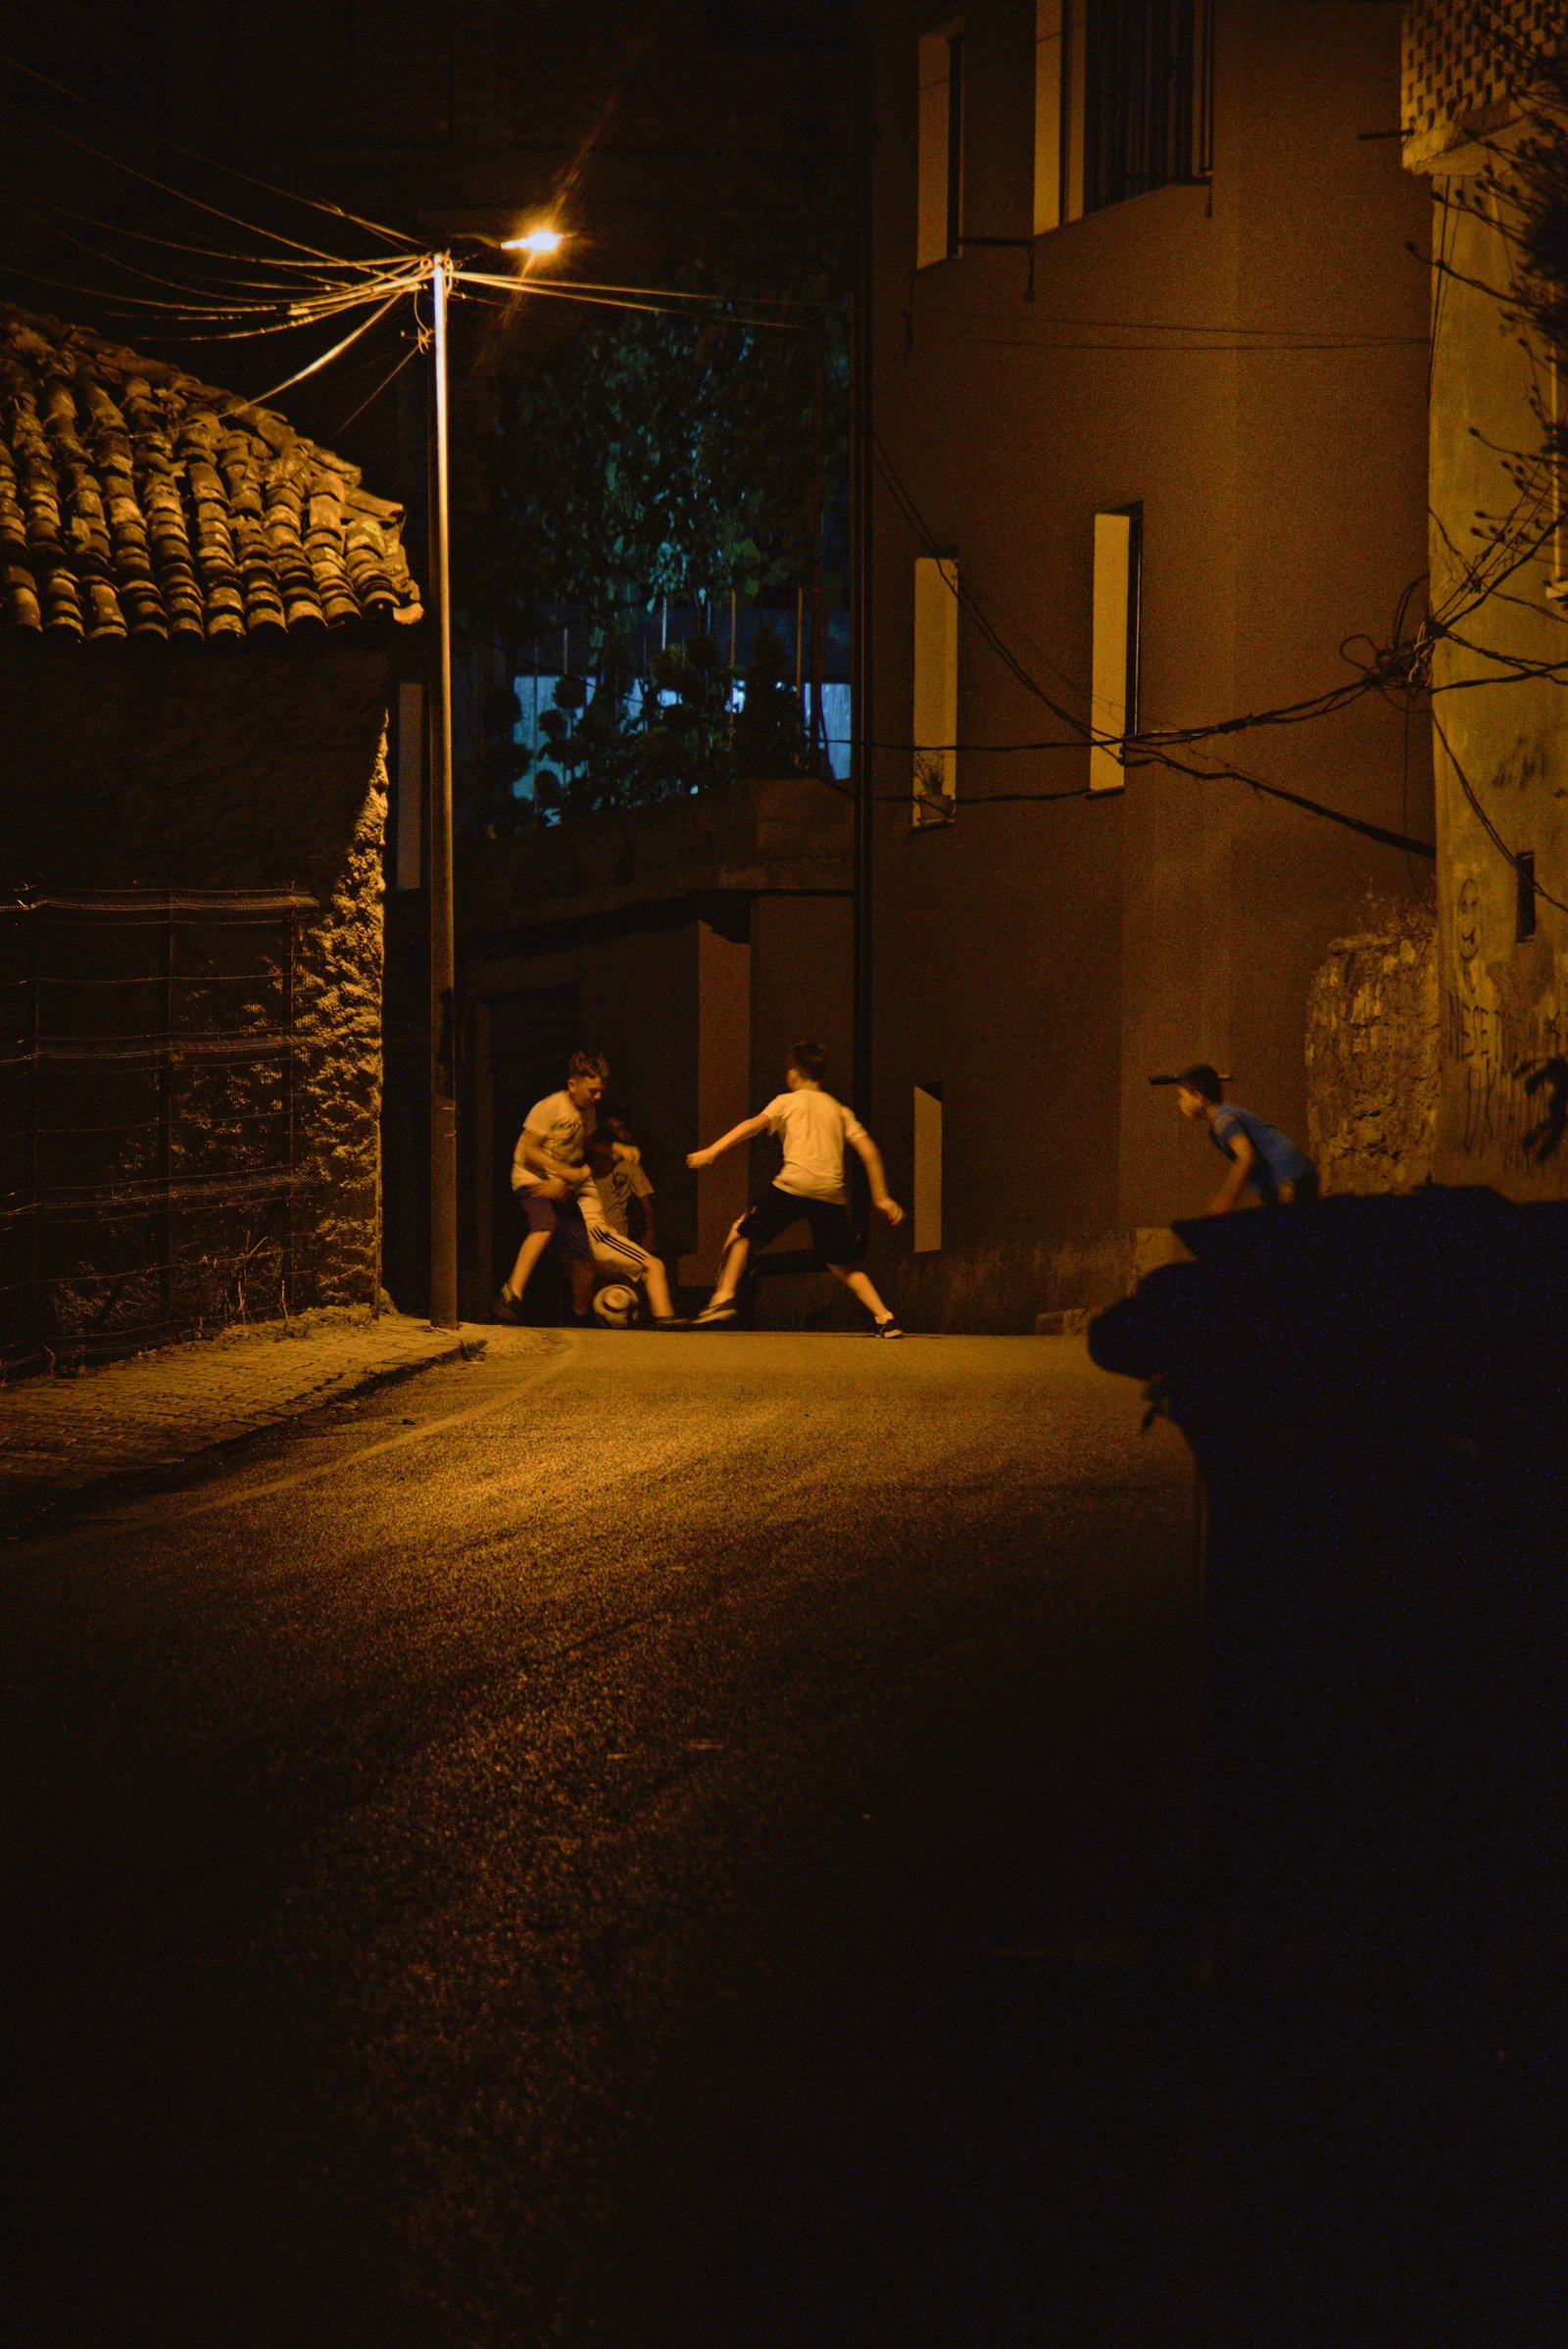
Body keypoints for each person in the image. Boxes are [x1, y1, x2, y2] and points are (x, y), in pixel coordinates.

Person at [685, 1040, 906, 1333]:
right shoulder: (839, 1109)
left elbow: (752, 1126)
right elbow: (868, 1150)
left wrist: (712, 1151)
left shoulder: (786, 1101)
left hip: (793, 1184)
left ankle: (723, 1298)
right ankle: (885, 1318)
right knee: (840, 1263)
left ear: (793, 1074)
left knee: (742, 1232)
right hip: (830, 1193)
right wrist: (882, 1197)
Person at [495, 1051, 608, 1323]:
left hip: (562, 1186)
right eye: (591, 1091)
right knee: (544, 1226)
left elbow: (587, 1144)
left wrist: (616, 1149)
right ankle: (510, 1294)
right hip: (532, 1180)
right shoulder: (550, 1107)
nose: (597, 1097)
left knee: (584, 1256)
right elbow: (528, 1151)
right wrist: (562, 1173)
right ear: (572, 1084)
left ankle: (579, 1312)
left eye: (600, 1091)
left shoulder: (588, 1112)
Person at [1172, 1063, 1318, 1212]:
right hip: (1285, 1182)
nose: (1180, 1103)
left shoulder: (1224, 1119)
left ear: (1199, 1097)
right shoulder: (1218, 1126)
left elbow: (1246, 1156)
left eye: (1182, 1096)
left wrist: (1227, 1198)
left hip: (1289, 1179)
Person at [577, 1124, 682, 1324]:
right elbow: (592, 1144)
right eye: (611, 1155)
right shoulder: (583, 1169)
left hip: (588, 1241)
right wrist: (619, 1147)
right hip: (595, 1233)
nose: (613, 1161)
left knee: (583, 1297)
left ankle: (579, 1318)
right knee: (653, 1265)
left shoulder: (578, 1171)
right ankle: (666, 1323)